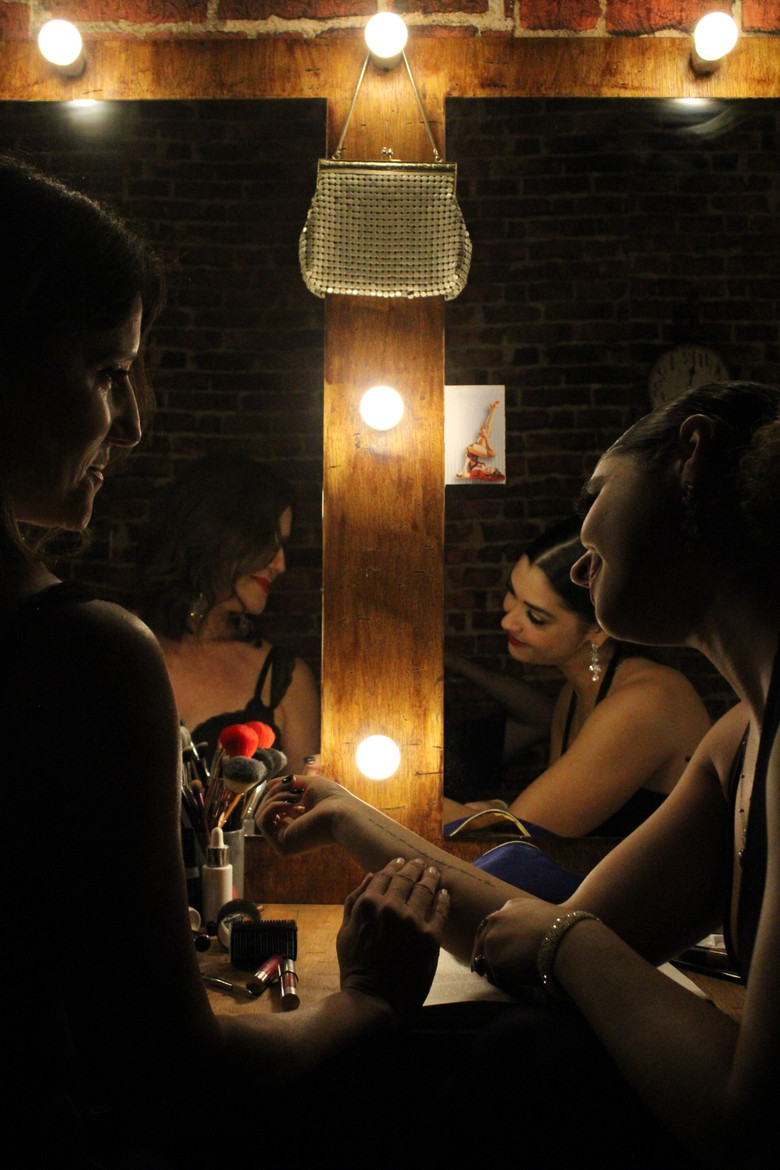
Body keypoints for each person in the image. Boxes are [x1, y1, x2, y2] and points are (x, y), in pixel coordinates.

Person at [0, 156, 449, 1168]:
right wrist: (368, 999)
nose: (131, 420)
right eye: (105, 372)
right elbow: (169, 1079)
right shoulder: (84, 657)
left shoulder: (149, 659)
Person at [258, 381, 780, 1165]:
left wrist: (569, 942)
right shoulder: (738, 742)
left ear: (691, 455)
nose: (579, 566)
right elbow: (527, 937)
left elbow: (752, 1121)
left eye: (595, 495)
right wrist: (347, 815)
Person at [443, 517, 711, 838]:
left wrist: (409, 799)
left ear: (598, 628)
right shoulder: (572, 695)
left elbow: (523, 837)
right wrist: (492, 813)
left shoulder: (648, 700)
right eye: (512, 593)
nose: (508, 622)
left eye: (535, 616)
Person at [135, 454, 320, 772]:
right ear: (218, 533)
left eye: (284, 546)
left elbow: (299, 799)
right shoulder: (121, 645)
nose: (280, 565)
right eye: (269, 542)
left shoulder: (284, 680)